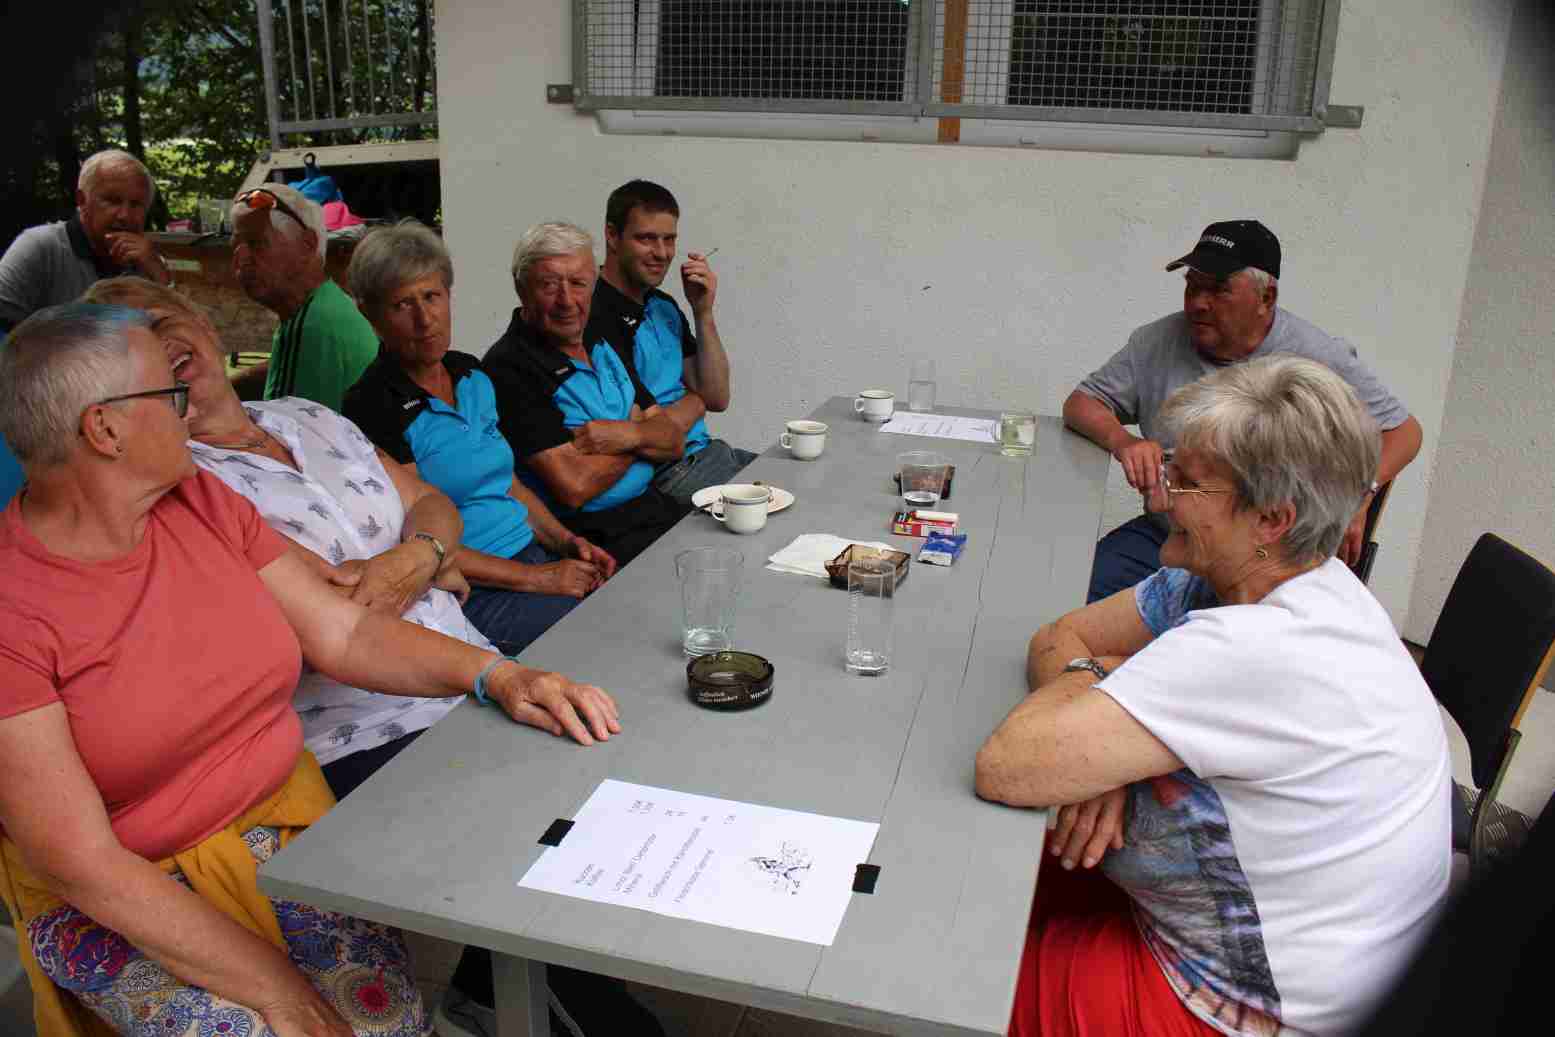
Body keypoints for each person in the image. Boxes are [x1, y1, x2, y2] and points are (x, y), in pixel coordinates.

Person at [0, 304, 620, 1037]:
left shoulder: (198, 501)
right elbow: (81, 863)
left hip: (283, 825)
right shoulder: (15, 606)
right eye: (168, 394)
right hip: (130, 887)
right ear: (105, 430)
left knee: (385, 1022)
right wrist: (276, 986)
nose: (186, 408)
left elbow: (344, 631)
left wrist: (499, 677)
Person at [977, 355, 1451, 1037]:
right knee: (975, 883)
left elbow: (1008, 764)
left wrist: (1097, 726)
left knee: (955, 977)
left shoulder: (1258, 645)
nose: (1160, 495)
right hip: (1229, 933)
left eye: (1188, 481)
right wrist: (1105, 746)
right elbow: (1059, 636)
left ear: (1270, 518)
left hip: (1239, 1009)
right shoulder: (1250, 578)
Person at [1064, 220, 1423, 602]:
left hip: (1261, 559)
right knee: (1067, 594)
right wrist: (1124, 442)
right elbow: (1082, 402)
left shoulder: (1314, 356)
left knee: (1213, 628)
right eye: (1192, 286)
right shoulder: (1158, 341)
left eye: (1219, 290)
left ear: (1266, 298)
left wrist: (1361, 496)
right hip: (1170, 535)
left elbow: (1404, 432)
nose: (1198, 303)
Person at [341, 222, 623, 655]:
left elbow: (506, 484)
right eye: (402, 304)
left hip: (530, 556)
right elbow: (415, 539)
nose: (424, 319)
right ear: (369, 314)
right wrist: (540, 579)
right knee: (599, 637)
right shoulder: (371, 405)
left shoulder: (470, 373)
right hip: (466, 590)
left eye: (432, 296)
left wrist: (567, 542)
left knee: (628, 605)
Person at [483, 221, 690, 567]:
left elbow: (673, 440)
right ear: (521, 290)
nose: (566, 301)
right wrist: (642, 438)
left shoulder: (598, 335)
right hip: (598, 539)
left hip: (653, 506)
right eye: (549, 285)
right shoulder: (509, 366)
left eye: (578, 283)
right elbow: (575, 486)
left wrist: (621, 435)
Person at [588, 179, 755, 502]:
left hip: (709, 453)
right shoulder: (593, 312)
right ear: (612, 235)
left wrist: (702, 311)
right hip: (669, 472)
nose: (662, 253)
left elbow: (716, 396)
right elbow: (644, 432)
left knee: (803, 477)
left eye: (669, 239)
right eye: (646, 239)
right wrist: (695, 402)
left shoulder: (663, 305)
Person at [230, 183, 378, 408]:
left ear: (308, 244)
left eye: (256, 243)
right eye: (235, 247)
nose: (240, 259)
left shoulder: (313, 325)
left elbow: (287, 428)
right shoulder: (324, 304)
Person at [0, 149, 170, 333]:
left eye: (136, 205)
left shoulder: (146, 262)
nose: (124, 215)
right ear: (81, 200)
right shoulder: (41, 246)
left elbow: (175, 333)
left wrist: (160, 276)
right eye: (113, 201)